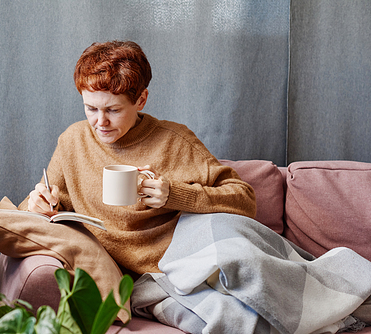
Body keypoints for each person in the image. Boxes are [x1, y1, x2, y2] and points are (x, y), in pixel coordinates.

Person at [27, 40, 256, 276]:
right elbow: (43, 204)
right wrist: (39, 205)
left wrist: (173, 195)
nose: (100, 122)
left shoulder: (175, 141)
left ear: (141, 100)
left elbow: (245, 200)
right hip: (104, 270)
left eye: (113, 110)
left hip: (177, 267)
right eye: (91, 109)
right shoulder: (73, 140)